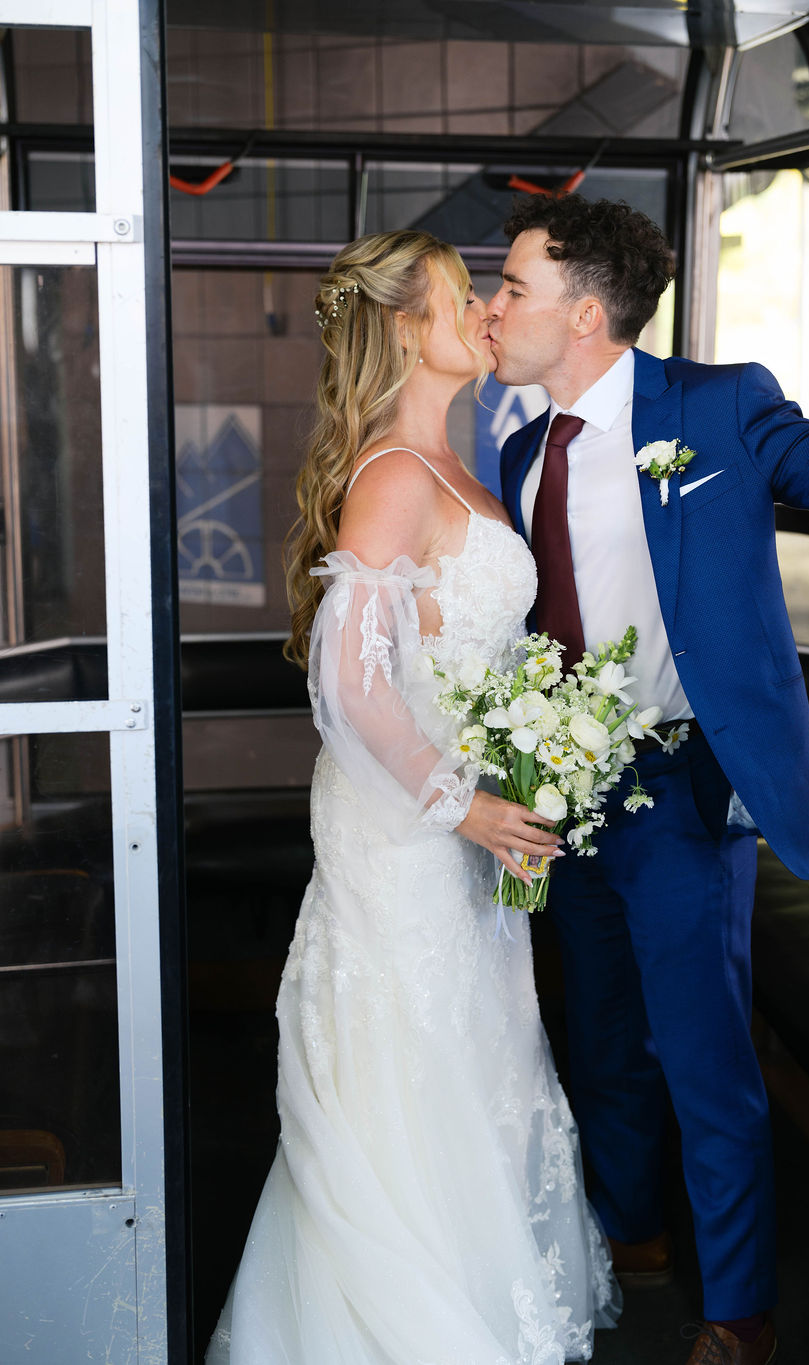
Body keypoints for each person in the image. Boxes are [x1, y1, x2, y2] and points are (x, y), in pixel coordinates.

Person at [487, 195, 809, 1365]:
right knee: (600, 1036)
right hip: (558, 797)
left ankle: (740, 1314)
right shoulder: (520, 447)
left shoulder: (714, 406)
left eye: (512, 288)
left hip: (680, 792)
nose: (493, 307)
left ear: (587, 314)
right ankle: (631, 1234)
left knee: (703, 1059)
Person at [206, 228, 620, 1364]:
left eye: (490, 296)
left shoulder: (463, 467)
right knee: (408, 1060)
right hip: (401, 829)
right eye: (459, 301)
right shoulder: (392, 474)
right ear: (403, 331)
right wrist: (464, 806)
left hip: (452, 821)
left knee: (469, 1055)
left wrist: (519, 778)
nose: (487, 314)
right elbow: (349, 680)